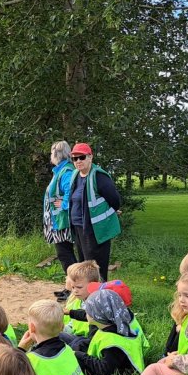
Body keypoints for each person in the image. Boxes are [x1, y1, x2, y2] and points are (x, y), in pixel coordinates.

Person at [66, 143, 122, 281]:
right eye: (75, 158)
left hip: (95, 230)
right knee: (84, 265)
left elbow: (115, 200)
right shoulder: (75, 175)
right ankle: (86, 296)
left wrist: (109, 213)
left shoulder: (98, 176)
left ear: (90, 157)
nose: (78, 161)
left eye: (82, 157)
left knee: (95, 267)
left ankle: (99, 296)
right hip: (78, 227)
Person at [74, 288, 148, 375]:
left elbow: (104, 371)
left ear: (96, 315)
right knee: (80, 343)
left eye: (87, 311)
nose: (86, 314)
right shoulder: (117, 324)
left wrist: (79, 355)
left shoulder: (113, 344)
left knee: (75, 359)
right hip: (113, 363)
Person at [43, 140, 79, 288]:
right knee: (65, 254)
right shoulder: (61, 170)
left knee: (65, 255)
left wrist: (64, 204)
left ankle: (75, 287)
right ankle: (71, 286)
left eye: (52, 152)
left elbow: (71, 192)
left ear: (57, 153)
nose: (50, 155)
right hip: (58, 220)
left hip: (62, 221)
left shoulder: (66, 172)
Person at [60, 260, 101, 349]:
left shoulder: (98, 303)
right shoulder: (80, 299)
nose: (75, 291)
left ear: (93, 285)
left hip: (90, 340)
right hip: (77, 336)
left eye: (79, 287)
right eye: (73, 287)